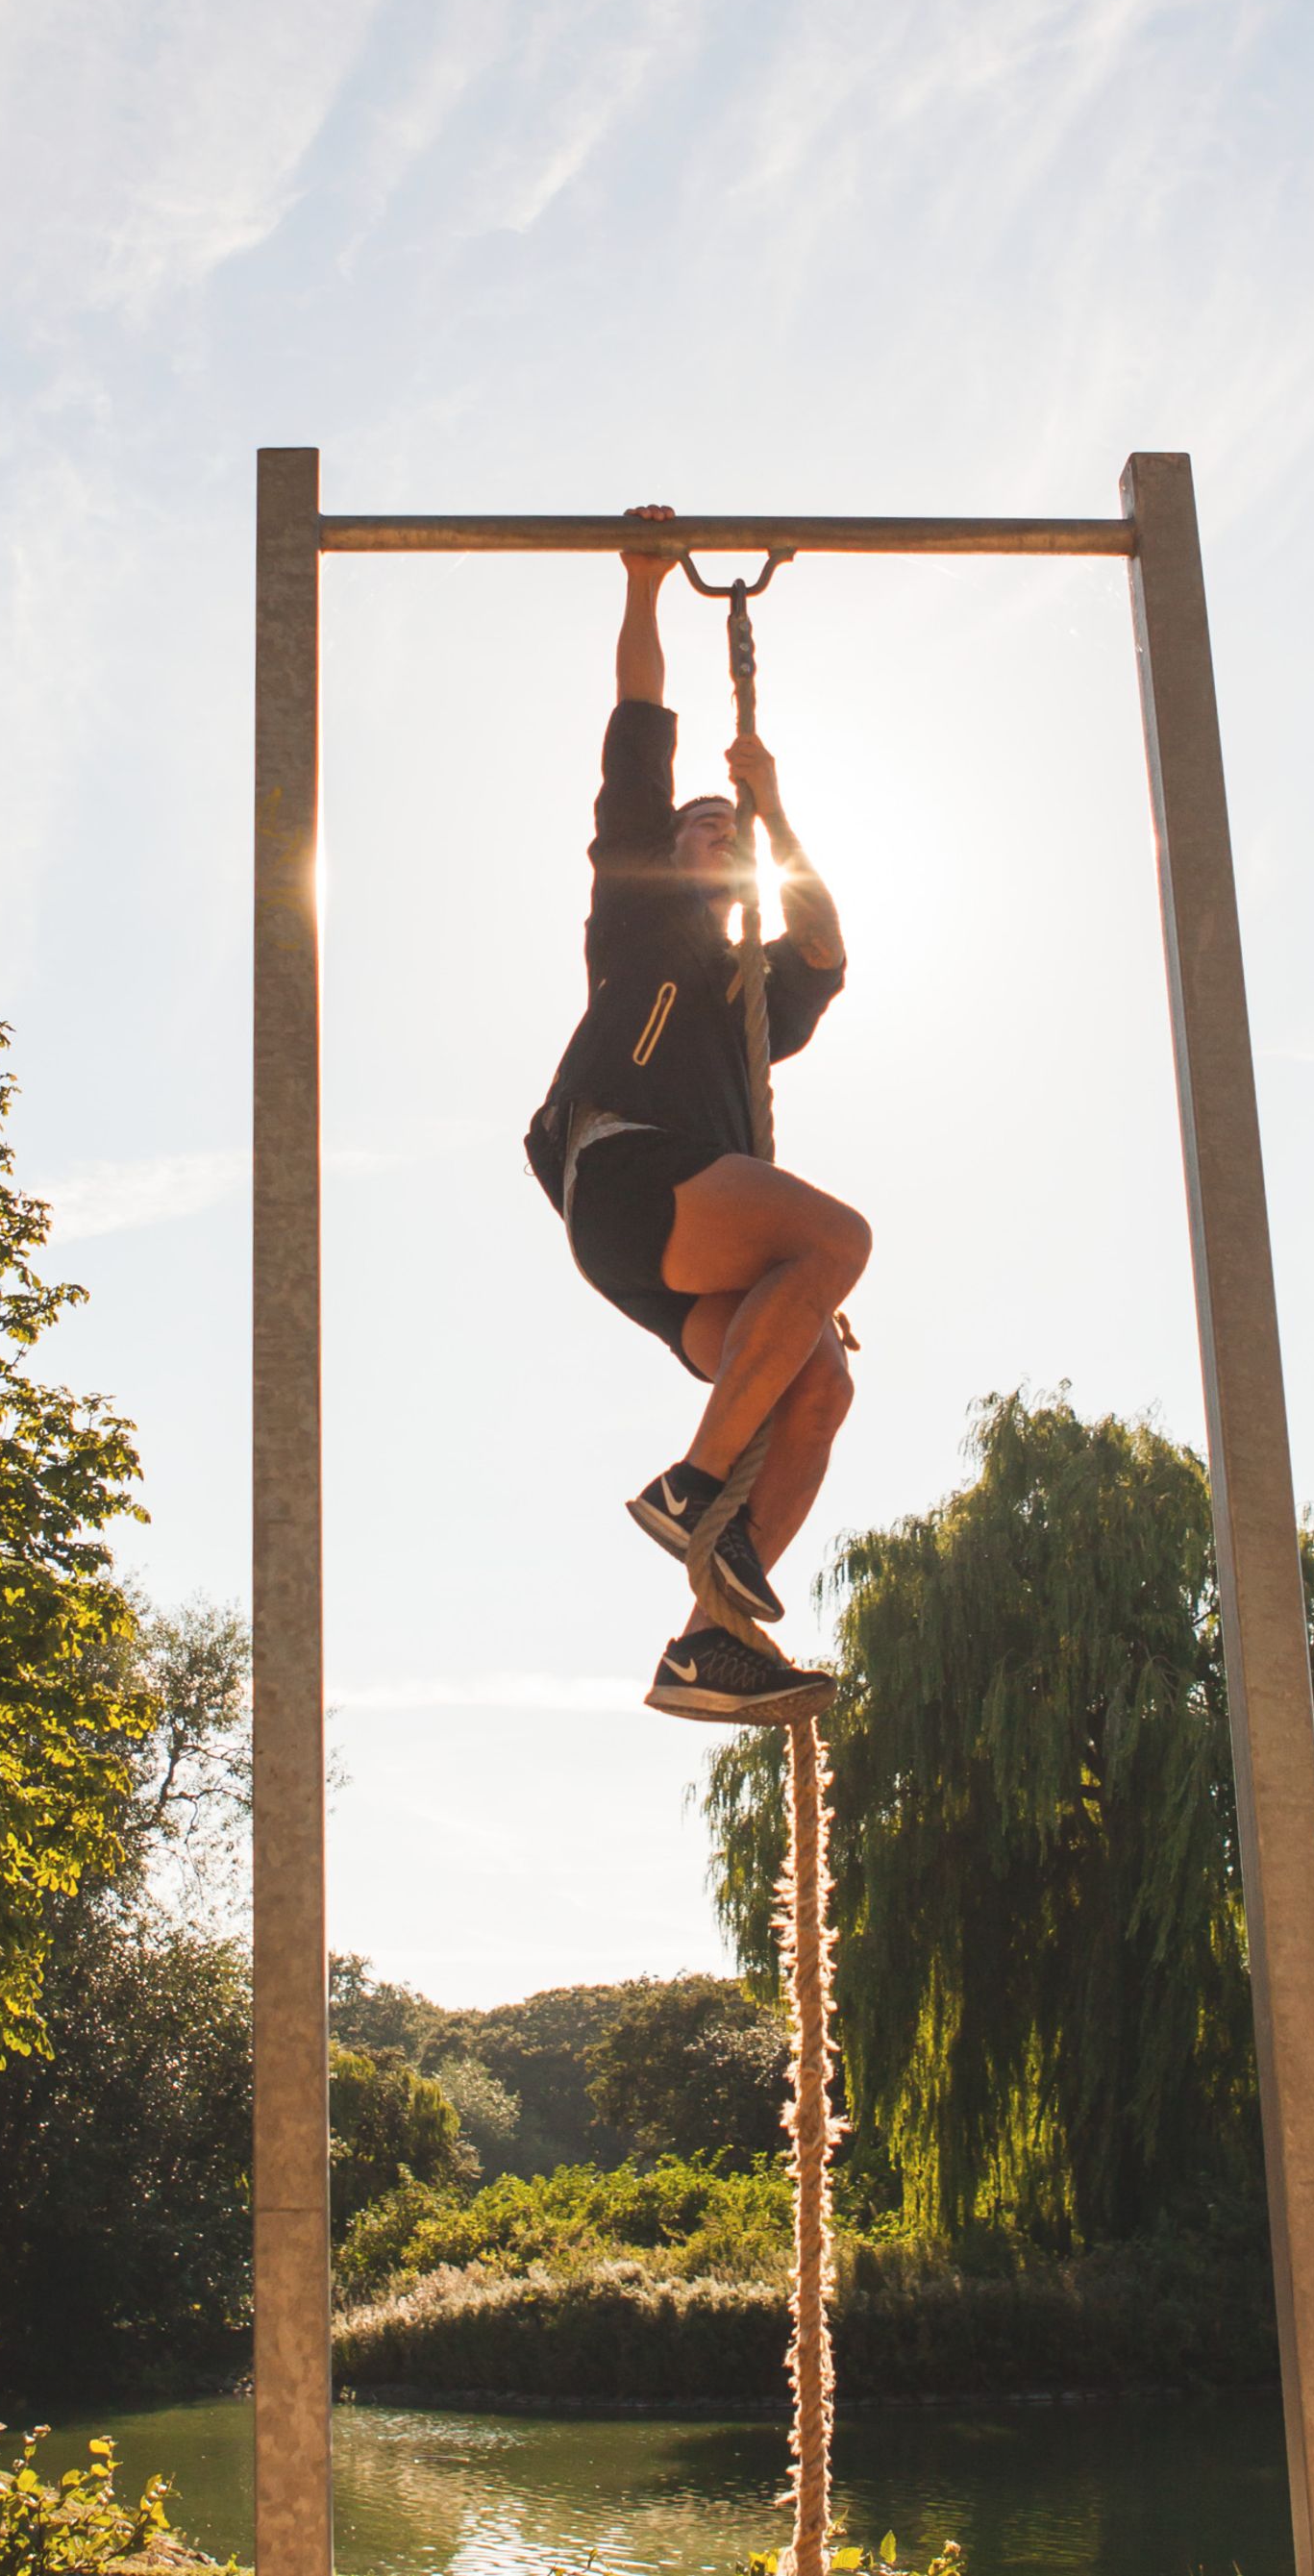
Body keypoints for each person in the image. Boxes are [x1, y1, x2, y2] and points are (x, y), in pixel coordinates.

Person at [526, 505, 870, 1722]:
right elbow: (638, 727)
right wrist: (641, 584)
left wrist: (775, 811)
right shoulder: (635, 907)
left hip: (672, 1255)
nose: (713, 833)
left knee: (819, 1380)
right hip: (624, 1176)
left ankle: (707, 1642)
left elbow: (825, 941)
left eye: (731, 838)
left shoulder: (755, 998)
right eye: (701, 825)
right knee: (840, 1243)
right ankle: (692, 1489)